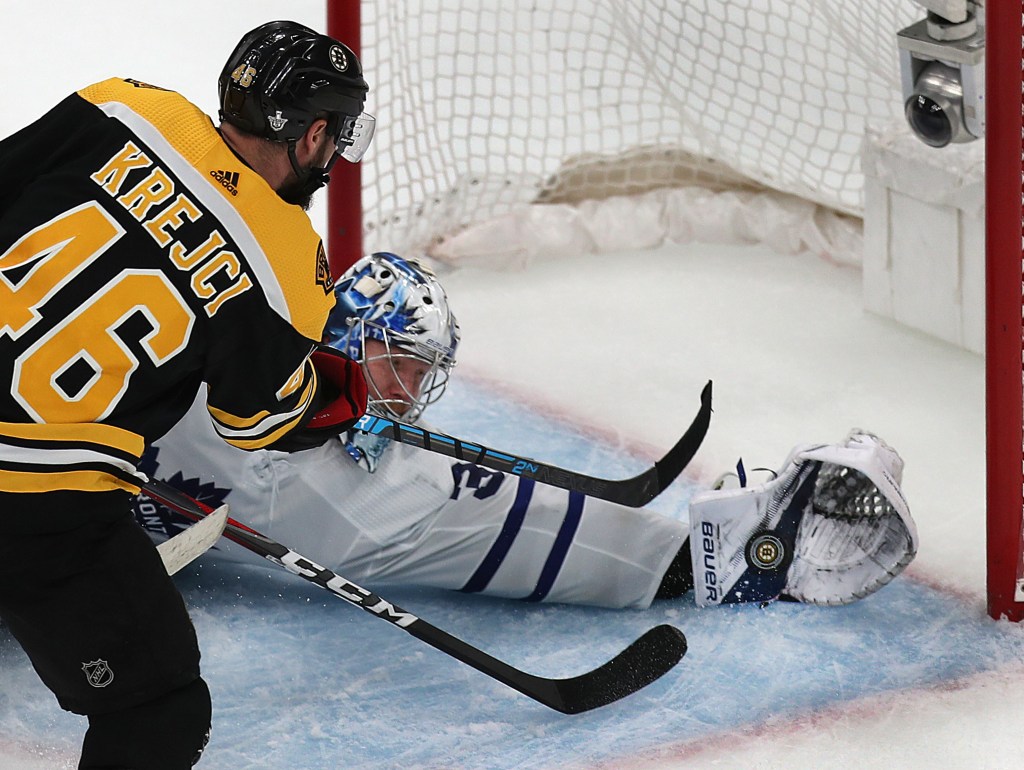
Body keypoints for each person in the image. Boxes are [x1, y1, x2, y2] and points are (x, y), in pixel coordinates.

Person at [136, 252, 918, 613]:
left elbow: (515, 526)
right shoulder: (332, 485)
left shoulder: (372, 484)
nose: (407, 394)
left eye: (421, 373)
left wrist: (688, 560)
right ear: (343, 336)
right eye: (396, 364)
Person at [0, 20, 373, 769]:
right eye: (335, 135)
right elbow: (254, 420)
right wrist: (324, 395)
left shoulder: (123, 105)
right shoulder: (291, 263)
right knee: (157, 709)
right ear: (311, 135)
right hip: (41, 502)